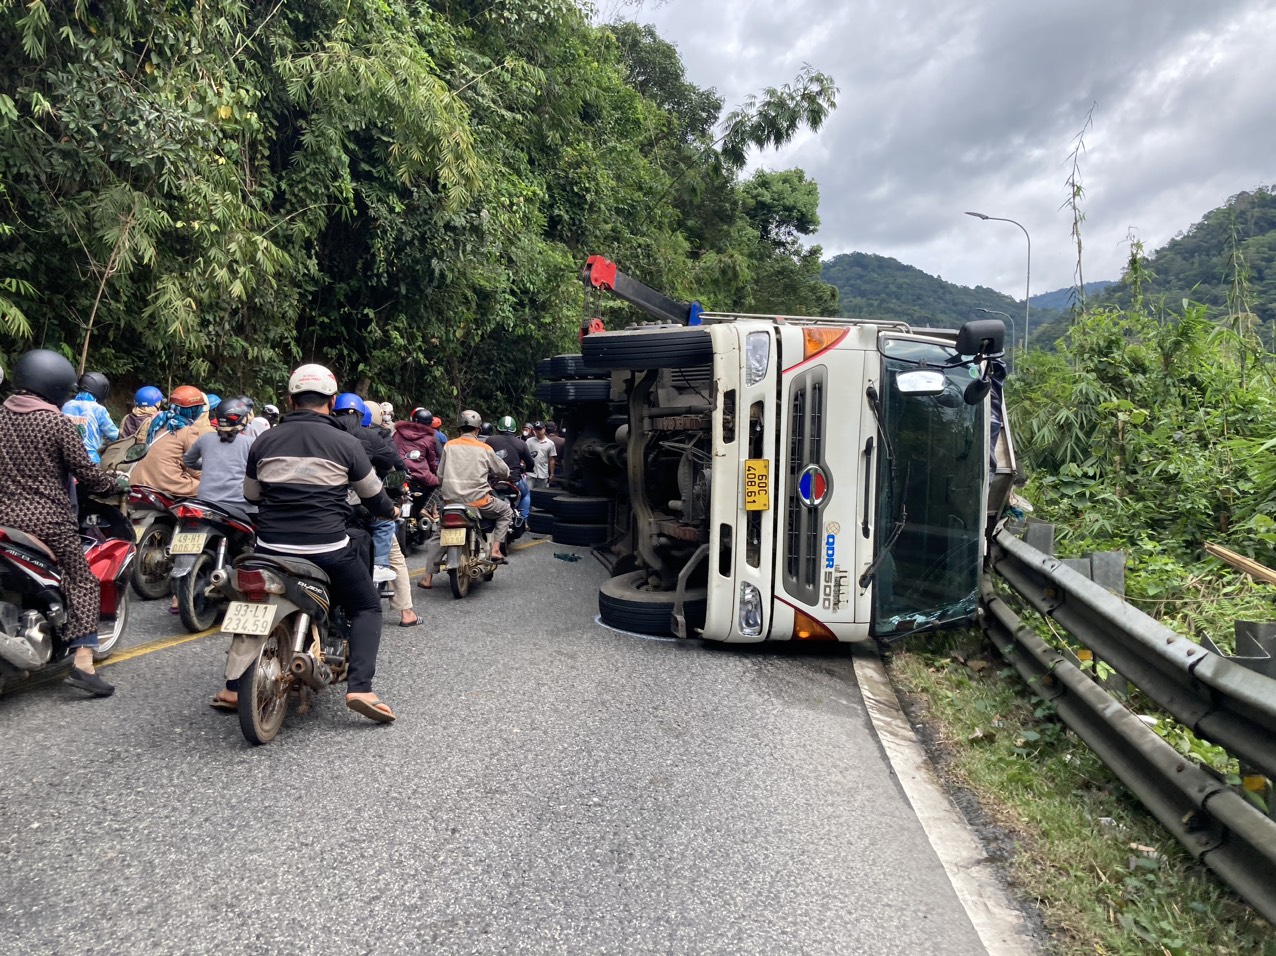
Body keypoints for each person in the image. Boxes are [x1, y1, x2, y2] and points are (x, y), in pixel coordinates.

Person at [244, 364, 400, 722]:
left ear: (289, 400)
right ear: (331, 402)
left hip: (269, 548)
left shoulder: (263, 440)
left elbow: (251, 494)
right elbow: (373, 496)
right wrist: (390, 511)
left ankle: (232, 686)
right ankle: (360, 687)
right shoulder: (346, 443)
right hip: (326, 548)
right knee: (367, 606)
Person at [0, 350, 124, 696]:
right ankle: (83, 663)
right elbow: (88, 475)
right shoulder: (57, 424)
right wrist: (116, 485)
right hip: (48, 521)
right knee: (83, 582)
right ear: (54, 386)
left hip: (4, 517)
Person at [182, 399, 260, 703]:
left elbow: (190, 462)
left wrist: (207, 464)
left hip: (204, 503)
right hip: (240, 507)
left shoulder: (204, 439)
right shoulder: (250, 443)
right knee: (257, 542)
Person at [420, 410, 512, 589]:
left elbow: (440, 475)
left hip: (450, 502)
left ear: (459, 428)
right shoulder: (485, 448)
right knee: (506, 511)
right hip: (479, 502)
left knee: (439, 534)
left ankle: (427, 577)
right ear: (478, 430)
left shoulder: (449, 446)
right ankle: (495, 549)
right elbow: (504, 471)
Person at [332, 393, 400, 585]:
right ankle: (379, 566)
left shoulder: (322, 432)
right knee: (385, 522)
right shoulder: (370, 436)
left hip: (328, 504)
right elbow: (390, 461)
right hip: (358, 502)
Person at [62, 371, 119, 464]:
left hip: (65, 457)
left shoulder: (66, 405)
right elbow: (114, 434)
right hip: (89, 460)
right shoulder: (98, 409)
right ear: (101, 389)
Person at [486, 415, 535, 523]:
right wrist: (528, 470)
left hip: (494, 479)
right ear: (514, 428)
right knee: (526, 495)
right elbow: (530, 463)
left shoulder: (490, 440)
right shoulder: (521, 443)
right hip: (514, 480)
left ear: (498, 428)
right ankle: (522, 519)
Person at [525, 421, 557, 488]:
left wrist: (552, 473)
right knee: (528, 493)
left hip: (543, 474)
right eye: (536, 429)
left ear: (544, 429)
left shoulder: (550, 443)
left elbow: (551, 459)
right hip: (530, 473)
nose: (538, 431)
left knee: (541, 494)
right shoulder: (529, 441)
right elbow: (524, 456)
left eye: (540, 429)